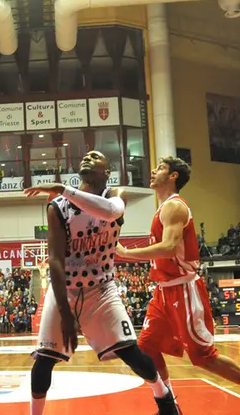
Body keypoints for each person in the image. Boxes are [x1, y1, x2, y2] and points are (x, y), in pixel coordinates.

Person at [116, 156, 240, 414]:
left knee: (203, 357)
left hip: (183, 289)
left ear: (173, 176)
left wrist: (125, 253)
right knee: (146, 347)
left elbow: (169, 247)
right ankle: (169, 406)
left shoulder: (175, 206)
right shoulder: (163, 208)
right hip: (163, 291)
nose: (153, 170)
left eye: (160, 168)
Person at [23, 151, 179, 415]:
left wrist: (63, 188)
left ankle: (165, 401)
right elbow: (56, 262)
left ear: (107, 171)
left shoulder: (116, 195)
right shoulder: (58, 207)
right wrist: (65, 311)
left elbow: (110, 212)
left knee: (132, 353)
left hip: (102, 289)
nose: (87, 157)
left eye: (95, 156)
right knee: (44, 360)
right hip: (65, 291)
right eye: (84, 156)